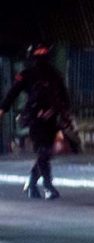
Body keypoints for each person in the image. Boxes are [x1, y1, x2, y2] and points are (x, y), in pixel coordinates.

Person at [0, 43, 71, 200]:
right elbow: (13, 93)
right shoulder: (28, 74)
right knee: (44, 151)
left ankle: (32, 183)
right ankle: (47, 185)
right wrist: (3, 110)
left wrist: (62, 113)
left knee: (46, 153)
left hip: (51, 119)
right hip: (35, 119)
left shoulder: (53, 74)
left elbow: (64, 97)